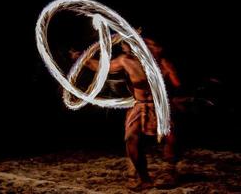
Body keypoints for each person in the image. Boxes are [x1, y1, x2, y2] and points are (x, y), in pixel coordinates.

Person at [69, 35, 181, 190]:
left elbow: (178, 85)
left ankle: (170, 170)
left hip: (162, 105)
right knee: (131, 138)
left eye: (152, 45)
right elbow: (103, 67)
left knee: (170, 136)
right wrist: (83, 58)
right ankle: (144, 178)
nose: (125, 47)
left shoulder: (163, 63)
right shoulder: (126, 61)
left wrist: (166, 75)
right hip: (140, 106)